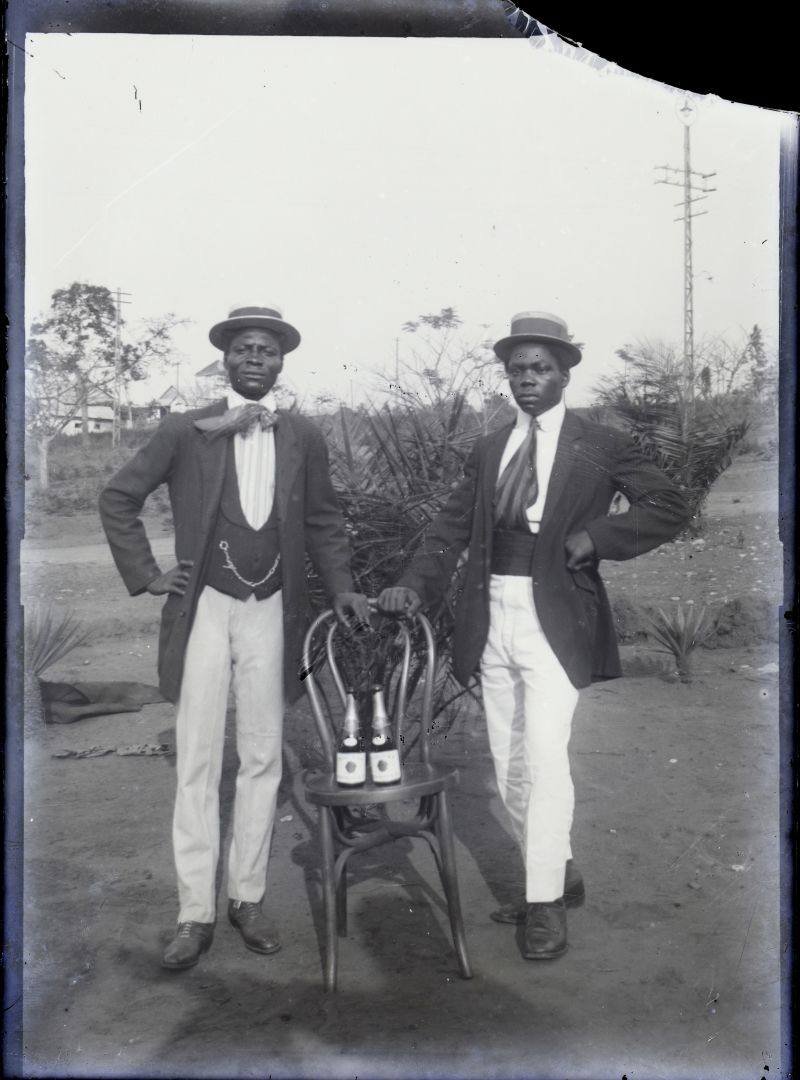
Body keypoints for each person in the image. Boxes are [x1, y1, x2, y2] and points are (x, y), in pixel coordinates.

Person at [378, 311, 690, 960]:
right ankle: (557, 866)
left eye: (540, 367)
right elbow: (448, 528)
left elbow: (668, 502)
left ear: (565, 373)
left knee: (546, 756)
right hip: (490, 614)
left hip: (558, 617)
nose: (526, 379)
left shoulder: (597, 444)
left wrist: (597, 538)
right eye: (517, 368)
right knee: (508, 762)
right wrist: (415, 582)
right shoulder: (491, 449)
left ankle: (543, 901)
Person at [100, 303, 369, 971]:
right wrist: (149, 575)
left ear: (282, 361)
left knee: (261, 759)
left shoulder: (302, 433)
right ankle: (195, 911)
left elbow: (326, 520)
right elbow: (117, 497)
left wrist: (340, 587)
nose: (255, 358)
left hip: (273, 609)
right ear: (225, 356)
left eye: (267, 350)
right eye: (244, 348)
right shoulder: (185, 429)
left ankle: (246, 896)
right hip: (204, 608)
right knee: (196, 759)